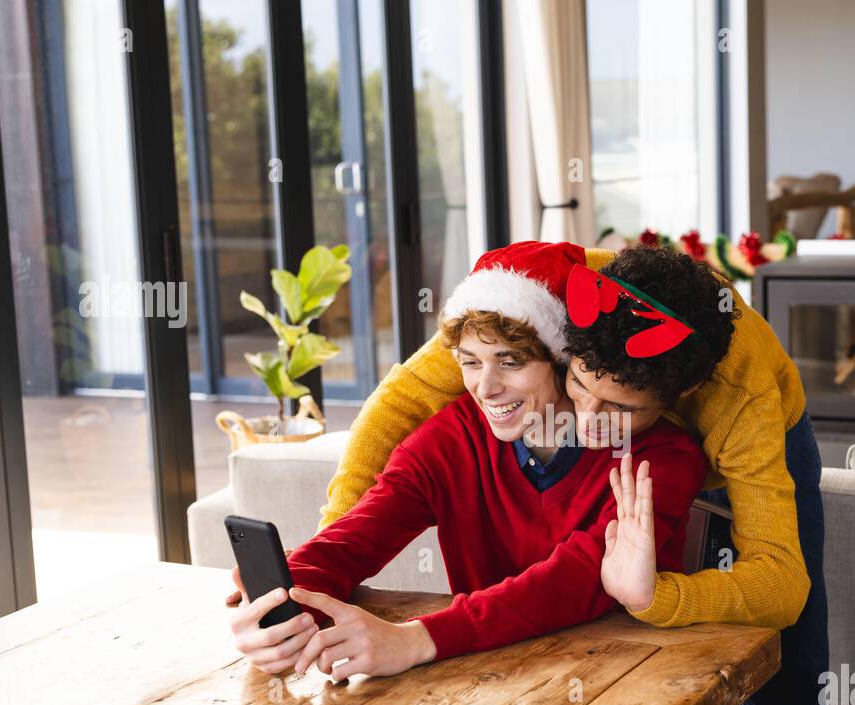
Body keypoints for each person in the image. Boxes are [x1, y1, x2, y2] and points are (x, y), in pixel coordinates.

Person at [321, 241, 826, 705]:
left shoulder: (736, 395)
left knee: (790, 666)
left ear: (684, 392)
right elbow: (392, 413)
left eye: (614, 409)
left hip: (759, 427)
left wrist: (658, 595)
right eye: (578, 384)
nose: (586, 424)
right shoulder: (530, 308)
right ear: (565, 346)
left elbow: (781, 585)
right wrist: (320, 576)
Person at [226, 241, 713, 682]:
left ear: (567, 361)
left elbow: (573, 580)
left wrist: (417, 639)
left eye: (511, 362)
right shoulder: (451, 438)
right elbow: (354, 539)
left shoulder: (661, 455)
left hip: (626, 684)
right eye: (471, 362)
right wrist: (282, 606)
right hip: (482, 683)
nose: (485, 387)